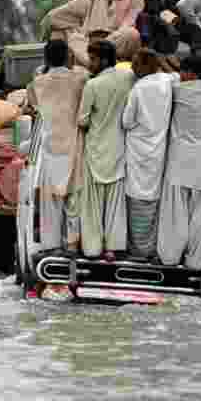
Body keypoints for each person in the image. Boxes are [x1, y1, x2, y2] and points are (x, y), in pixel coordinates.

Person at [25, 39, 91, 253]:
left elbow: (33, 104)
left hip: (50, 146)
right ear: (68, 57)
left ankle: (51, 246)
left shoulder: (37, 83)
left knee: (50, 201)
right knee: (74, 199)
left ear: (45, 59)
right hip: (74, 143)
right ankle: (72, 244)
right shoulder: (80, 78)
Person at [157, 54, 201, 270]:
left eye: (183, 71)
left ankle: (171, 257)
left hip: (180, 156)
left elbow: (167, 78)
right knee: (199, 212)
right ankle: (196, 260)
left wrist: (164, 63)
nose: (180, 75)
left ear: (190, 73)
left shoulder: (178, 90)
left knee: (175, 209)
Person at [77, 40, 135, 260]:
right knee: (115, 202)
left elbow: (81, 120)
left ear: (102, 59)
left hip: (96, 149)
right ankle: (113, 247)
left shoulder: (92, 85)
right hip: (119, 147)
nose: (89, 63)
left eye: (92, 59)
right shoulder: (128, 77)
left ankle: (92, 248)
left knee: (92, 203)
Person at [121, 48, 173, 260]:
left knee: (136, 197)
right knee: (153, 197)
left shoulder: (138, 89)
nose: (132, 67)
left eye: (135, 63)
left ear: (144, 66)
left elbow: (126, 121)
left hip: (138, 150)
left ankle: (138, 250)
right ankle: (151, 247)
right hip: (159, 149)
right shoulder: (167, 81)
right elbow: (176, 72)